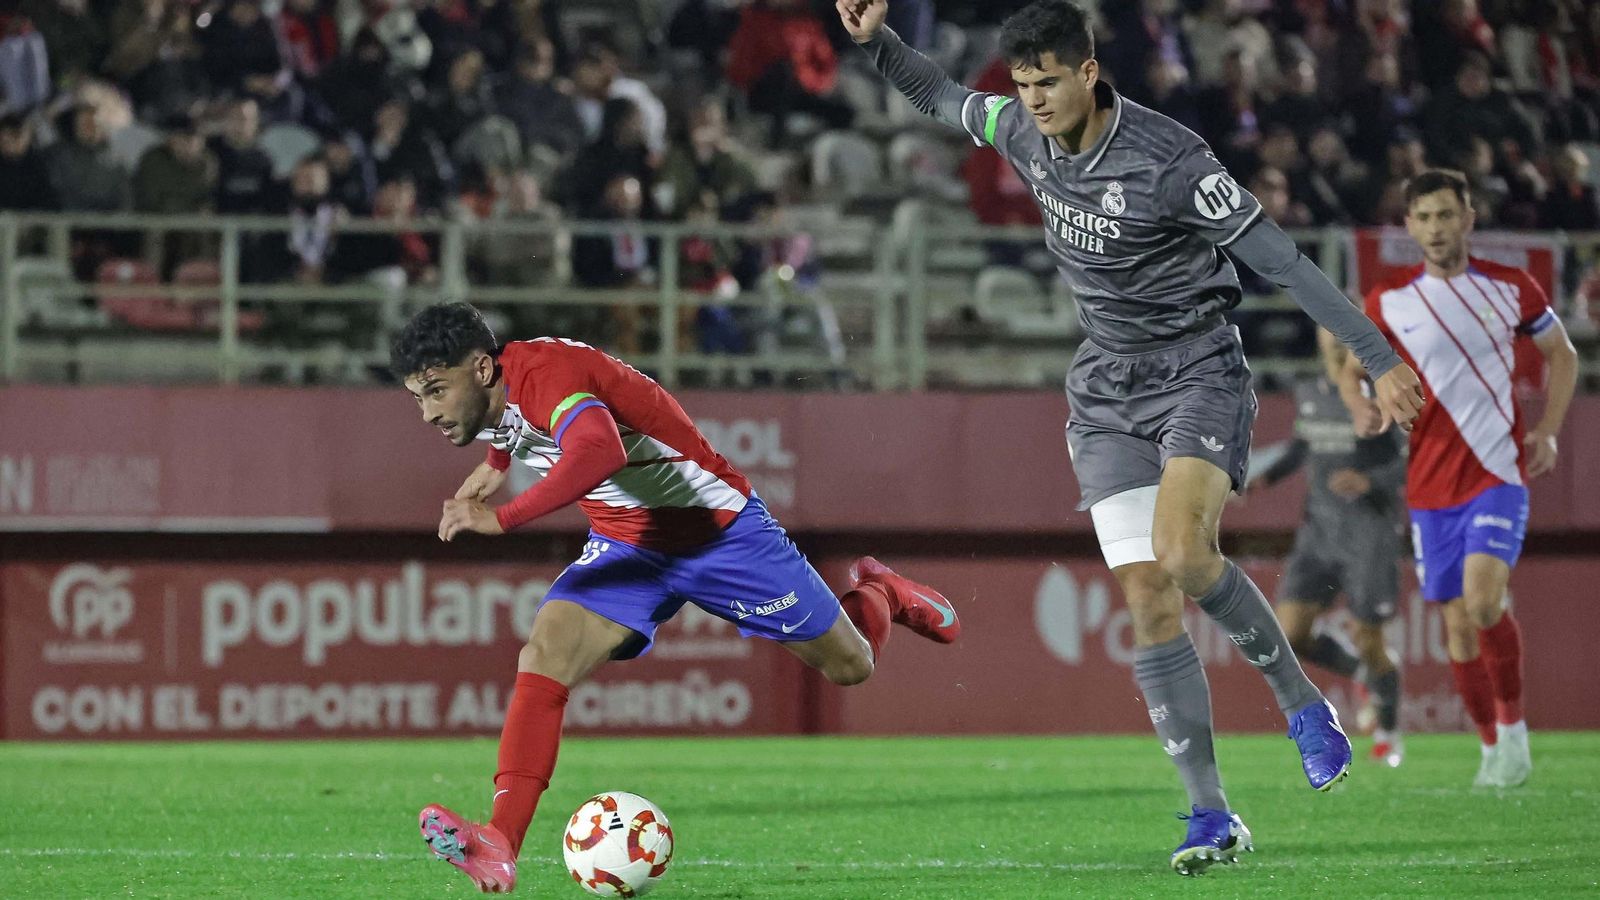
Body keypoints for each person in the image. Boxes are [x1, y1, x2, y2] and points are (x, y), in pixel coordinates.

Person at [839, 0, 1425, 875]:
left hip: (1198, 372)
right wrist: (875, 43)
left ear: (1088, 72)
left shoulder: (1173, 161)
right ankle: (1210, 816)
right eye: (1023, 84)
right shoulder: (1019, 129)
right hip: (1107, 388)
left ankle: (1301, 702)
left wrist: (1376, 358)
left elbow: (1282, 262)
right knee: (1151, 601)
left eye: (1048, 83)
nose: (1031, 100)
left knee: (1185, 554)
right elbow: (939, 94)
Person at [395, 303, 960, 893]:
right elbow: (518, 423)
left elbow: (598, 450)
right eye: (417, 397)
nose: (429, 412)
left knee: (852, 666)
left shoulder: (546, 376)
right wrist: (497, 461)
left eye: (436, 391)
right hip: (627, 544)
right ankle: (499, 840)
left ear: (482, 369)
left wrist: (503, 518)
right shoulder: (494, 390)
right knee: (544, 654)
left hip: (716, 534)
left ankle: (881, 592)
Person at [1341, 169, 1579, 789]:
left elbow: (1564, 355)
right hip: (1428, 485)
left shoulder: (1511, 286)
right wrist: (1358, 403)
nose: (1436, 228)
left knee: (1482, 600)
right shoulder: (1388, 299)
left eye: (1447, 215)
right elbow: (1348, 362)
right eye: (1423, 218)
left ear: (1469, 219)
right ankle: (1491, 747)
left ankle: (1517, 731)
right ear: (1410, 226)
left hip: (1498, 471)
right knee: (1455, 626)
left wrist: (1548, 429)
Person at [1247, 327, 1406, 767]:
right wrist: (1267, 477)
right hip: (1319, 532)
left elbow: (1411, 458)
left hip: (1368, 533)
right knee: (1291, 633)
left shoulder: (1381, 391)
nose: (1335, 338)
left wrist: (1370, 481)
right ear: (1317, 339)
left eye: (1343, 328)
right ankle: (1360, 673)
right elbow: (1304, 444)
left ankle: (1389, 732)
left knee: (1370, 637)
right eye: (1326, 329)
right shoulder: (1311, 390)